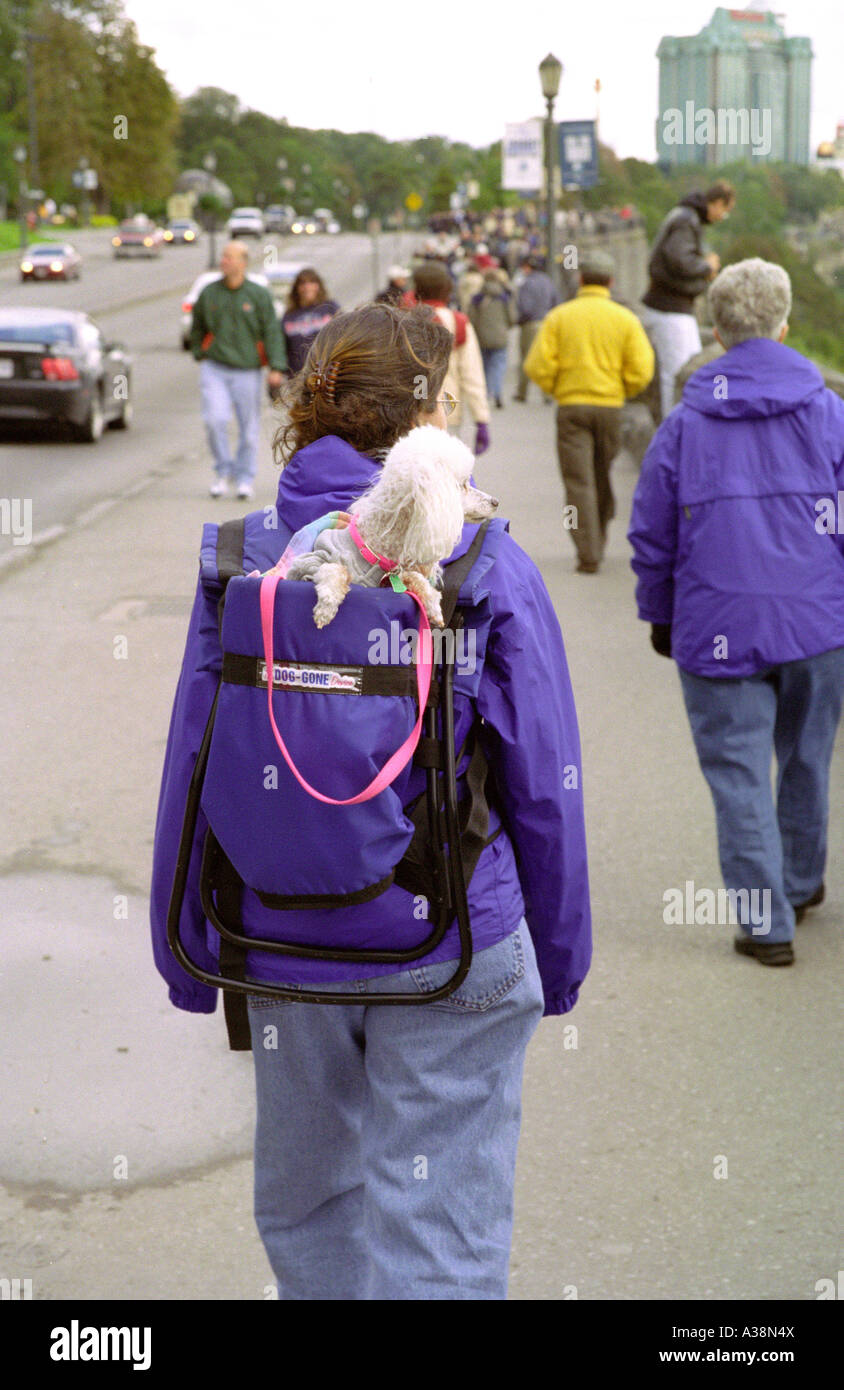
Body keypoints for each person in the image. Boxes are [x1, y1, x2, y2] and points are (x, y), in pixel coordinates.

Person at [149, 301, 592, 1300]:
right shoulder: (480, 560)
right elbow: (545, 785)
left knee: (309, 1208)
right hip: (451, 941)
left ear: (309, 409)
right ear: (428, 417)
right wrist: (558, 961)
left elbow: (192, 761)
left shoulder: (244, 556)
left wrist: (186, 953)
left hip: (277, 940)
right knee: (439, 1235)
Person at [628, 258, 844, 965]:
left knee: (738, 774)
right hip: (816, 623)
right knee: (808, 756)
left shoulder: (687, 424)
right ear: (785, 327)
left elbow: (653, 533)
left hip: (718, 624)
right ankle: (800, 881)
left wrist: (659, 614)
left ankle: (766, 924)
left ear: (716, 334)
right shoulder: (829, 412)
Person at [523, 249, 655, 573]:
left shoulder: (560, 317)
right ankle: (601, 533)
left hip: (571, 408)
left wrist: (558, 388)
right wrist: (622, 389)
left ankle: (588, 551)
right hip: (610, 408)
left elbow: (536, 365)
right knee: (601, 474)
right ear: (611, 281)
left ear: (580, 279)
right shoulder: (625, 319)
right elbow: (643, 369)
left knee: (578, 481)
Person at [190, 240, 287, 501]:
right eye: (223, 256)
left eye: (229, 257)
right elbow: (197, 325)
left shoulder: (257, 294)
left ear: (243, 263)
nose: (224, 261)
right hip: (215, 367)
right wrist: (199, 350)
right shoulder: (210, 293)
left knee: (249, 427)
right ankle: (222, 472)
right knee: (214, 419)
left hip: (248, 370)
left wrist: (276, 366)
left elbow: (271, 332)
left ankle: (245, 478)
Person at [640, 181, 735, 421]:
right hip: (670, 308)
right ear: (716, 203)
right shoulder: (686, 219)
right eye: (725, 210)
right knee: (679, 374)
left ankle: (678, 430)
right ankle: (675, 434)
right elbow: (679, 259)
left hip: (670, 306)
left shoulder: (684, 215)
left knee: (683, 371)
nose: (724, 216)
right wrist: (707, 266)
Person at [412, 261, 491, 456]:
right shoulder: (458, 322)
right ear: (448, 290)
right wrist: (481, 419)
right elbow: (471, 373)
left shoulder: (401, 319)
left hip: (408, 412)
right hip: (447, 408)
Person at [468, 268, 515, 409]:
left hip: (481, 337)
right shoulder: (505, 297)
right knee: (499, 365)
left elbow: (471, 318)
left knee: (484, 366)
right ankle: (497, 391)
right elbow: (512, 318)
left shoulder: (477, 298)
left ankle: (486, 392)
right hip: (500, 337)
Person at [513, 255, 558, 403]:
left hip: (530, 324)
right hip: (546, 322)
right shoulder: (547, 281)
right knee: (545, 357)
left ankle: (522, 392)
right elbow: (556, 301)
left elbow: (525, 307)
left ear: (527, 267)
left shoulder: (527, 283)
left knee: (526, 358)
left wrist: (520, 320)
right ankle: (547, 393)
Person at [282, 267, 340, 376]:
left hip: (328, 372)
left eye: (312, 282)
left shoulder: (330, 308)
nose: (307, 287)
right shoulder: (289, 315)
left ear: (318, 286)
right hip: (298, 375)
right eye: (302, 283)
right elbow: (281, 348)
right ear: (297, 288)